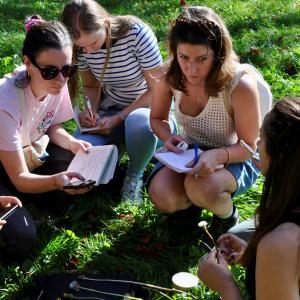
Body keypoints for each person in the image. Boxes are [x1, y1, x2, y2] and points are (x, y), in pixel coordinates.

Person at [148, 5, 262, 238]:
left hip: (234, 155)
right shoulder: (169, 75)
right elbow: (157, 118)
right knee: (162, 195)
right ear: (174, 52)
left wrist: (219, 155)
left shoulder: (239, 85)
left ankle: (227, 216)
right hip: (188, 153)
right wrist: (169, 137)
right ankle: (189, 208)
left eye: (202, 59)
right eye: (183, 57)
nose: (191, 68)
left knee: (202, 188)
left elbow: (249, 147)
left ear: (218, 54)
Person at [61, 0, 174, 203]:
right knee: (82, 151)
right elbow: (91, 85)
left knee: (138, 123)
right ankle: (118, 151)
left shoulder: (136, 34)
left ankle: (134, 175)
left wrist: (120, 117)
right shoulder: (83, 46)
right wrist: (91, 110)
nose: (88, 52)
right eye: (81, 47)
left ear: (105, 22)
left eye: (93, 43)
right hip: (110, 110)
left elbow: (157, 89)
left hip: (149, 112)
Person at [198, 97, 300, 300]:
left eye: (261, 138)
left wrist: (225, 285)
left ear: (279, 157)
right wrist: (254, 259)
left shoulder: (282, 242)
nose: (257, 144)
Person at [0, 16, 93, 217]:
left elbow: (51, 125)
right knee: (21, 238)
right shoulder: (5, 104)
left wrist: (71, 142)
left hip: (27, 154)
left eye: (68, 69)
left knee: (76, 160)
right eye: (50, 71)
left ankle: (39, 201)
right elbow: (19, 176)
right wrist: (55, 182)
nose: (61, 80)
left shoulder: (55, 83)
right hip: (8, 168)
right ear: (27, 63)